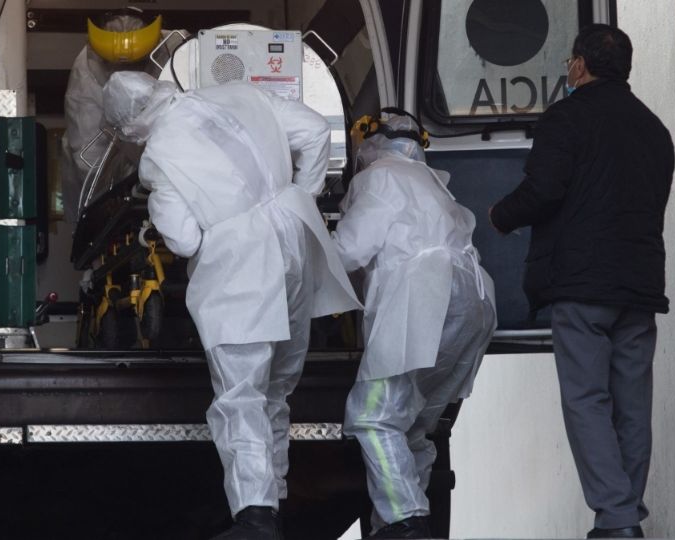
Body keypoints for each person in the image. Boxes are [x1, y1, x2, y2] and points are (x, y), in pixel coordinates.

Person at [102, 71, 362, 540]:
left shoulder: (158, 158)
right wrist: (301, 194)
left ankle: (256, 515)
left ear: (129, 128)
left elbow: (182, 240)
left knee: (241, 392)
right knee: (276, 389)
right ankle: (278, 499)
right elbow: (314, 130)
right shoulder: (240, 93)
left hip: (242, 264)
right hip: (295, 239)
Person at [489, 24, 675, 539]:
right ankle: (625, 514)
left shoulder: (566, 118)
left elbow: (544, 190)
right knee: (633, 405)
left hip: (582, 287)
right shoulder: (655, 131)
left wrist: (500, 215)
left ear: (578, 66)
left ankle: (616, 520)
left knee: (587, 400)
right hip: (638, 288)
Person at [333, 111, 497, 539]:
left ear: (369, 143)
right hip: (473, 301)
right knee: (413, 426)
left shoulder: (379, 177)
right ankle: (396, 523)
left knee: (373, 417)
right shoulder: (430, 180)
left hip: (427, 297)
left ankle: (405, 520)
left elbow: (350, 251)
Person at [61, 7, 162, 223]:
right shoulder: (86, 72)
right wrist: (121, 194)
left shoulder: (177, 48)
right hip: (108, 169)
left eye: (137, 63)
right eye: (114, 65)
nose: (126, 71)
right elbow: (86, 154)